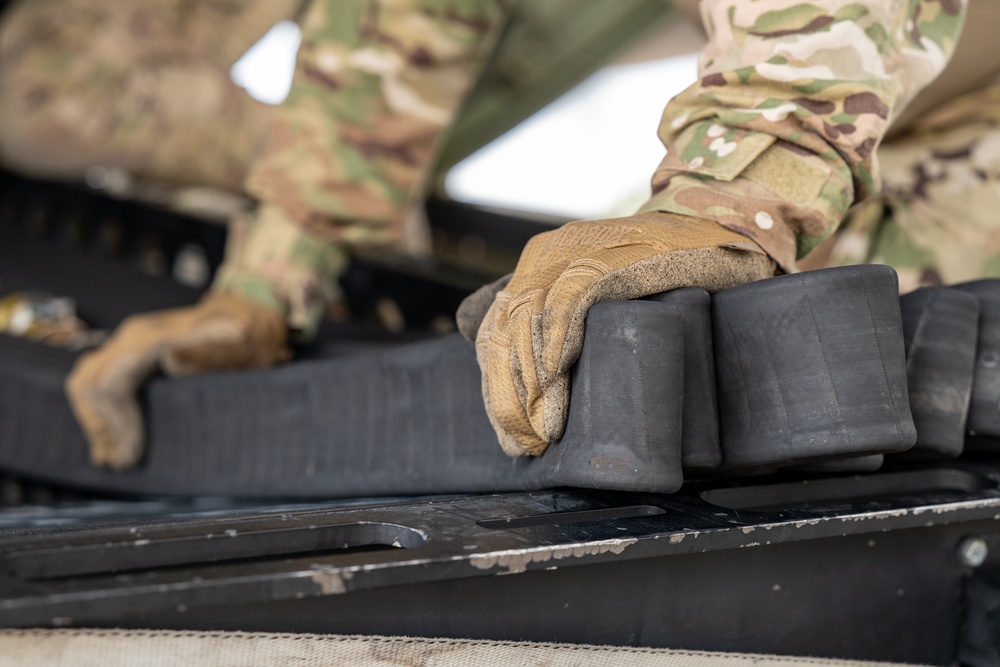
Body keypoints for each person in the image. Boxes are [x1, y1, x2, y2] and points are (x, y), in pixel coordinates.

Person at [0, 0, 982, 469]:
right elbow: (406, 14)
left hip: (920, 89)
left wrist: (732, 198)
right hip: (874, 109)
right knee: (834, 439)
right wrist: (270, 281)